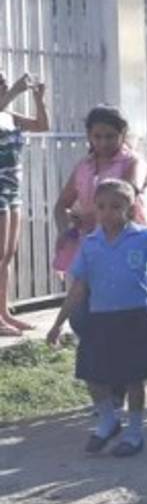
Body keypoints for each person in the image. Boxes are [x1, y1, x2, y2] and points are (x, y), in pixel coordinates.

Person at [46, 179, 147, 457]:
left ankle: (134, 433)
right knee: (90, 373)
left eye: (115, 207)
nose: (107, 213)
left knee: (134, 378)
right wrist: (58, 323)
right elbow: (79, 287)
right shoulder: (90, 244)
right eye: (101, 207)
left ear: (129, 208)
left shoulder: (144, 237)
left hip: (135, 317)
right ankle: (108, 420)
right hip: (101, 318)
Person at [53, 107, 147, 274]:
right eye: (97, 137)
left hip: (125, 244)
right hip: (89, 245)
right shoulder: (84, 166)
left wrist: (89, 217)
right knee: (82, 295)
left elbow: (126, 194)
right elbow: (61, 205)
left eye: (110, 136)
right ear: (89, 136)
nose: (103, 143)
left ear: (123, 133)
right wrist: (65, 229)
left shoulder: (134, 163)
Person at [0, 72, 50, 336]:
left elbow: (42, 126)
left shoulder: (10, 115)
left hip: (12, 189)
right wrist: (16, 92)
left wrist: (38, 99)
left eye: (5, 80)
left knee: (7, 255)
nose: (5, 83)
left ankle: (4, 312)